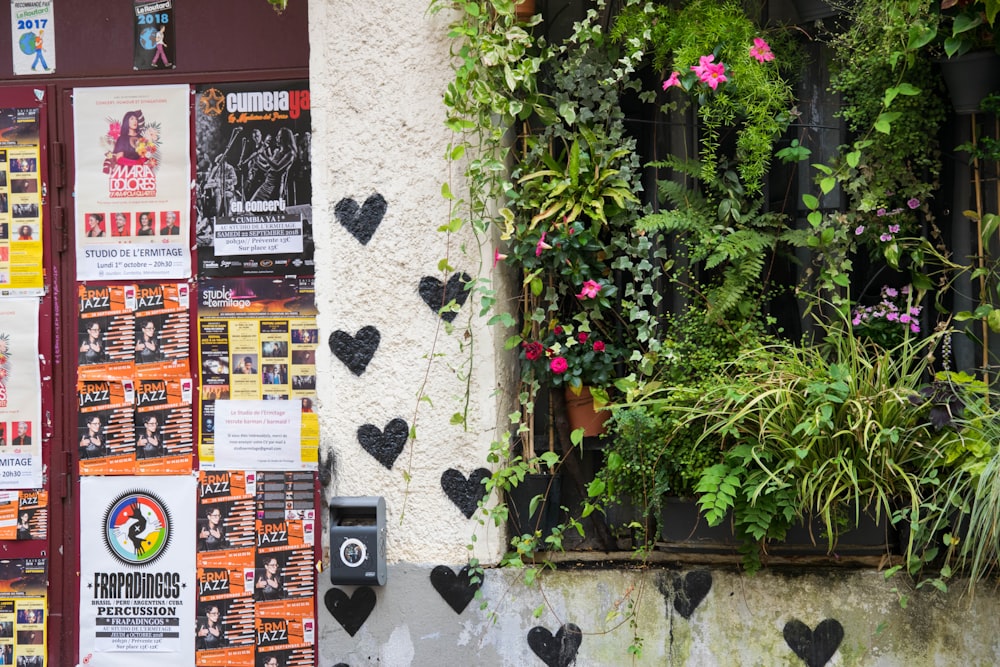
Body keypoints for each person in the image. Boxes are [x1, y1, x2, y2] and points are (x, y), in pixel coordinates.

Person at [251, 127, 297, 202]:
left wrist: (265, 155)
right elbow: (267, 167)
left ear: (284, 138)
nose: (276, 138)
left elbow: (277, 167)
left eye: (279, 136)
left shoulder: (290, 154)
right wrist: (256, 161)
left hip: (275, 187)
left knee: (268, 211)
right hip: (266, 184)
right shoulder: (277, 151)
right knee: (252, 206)